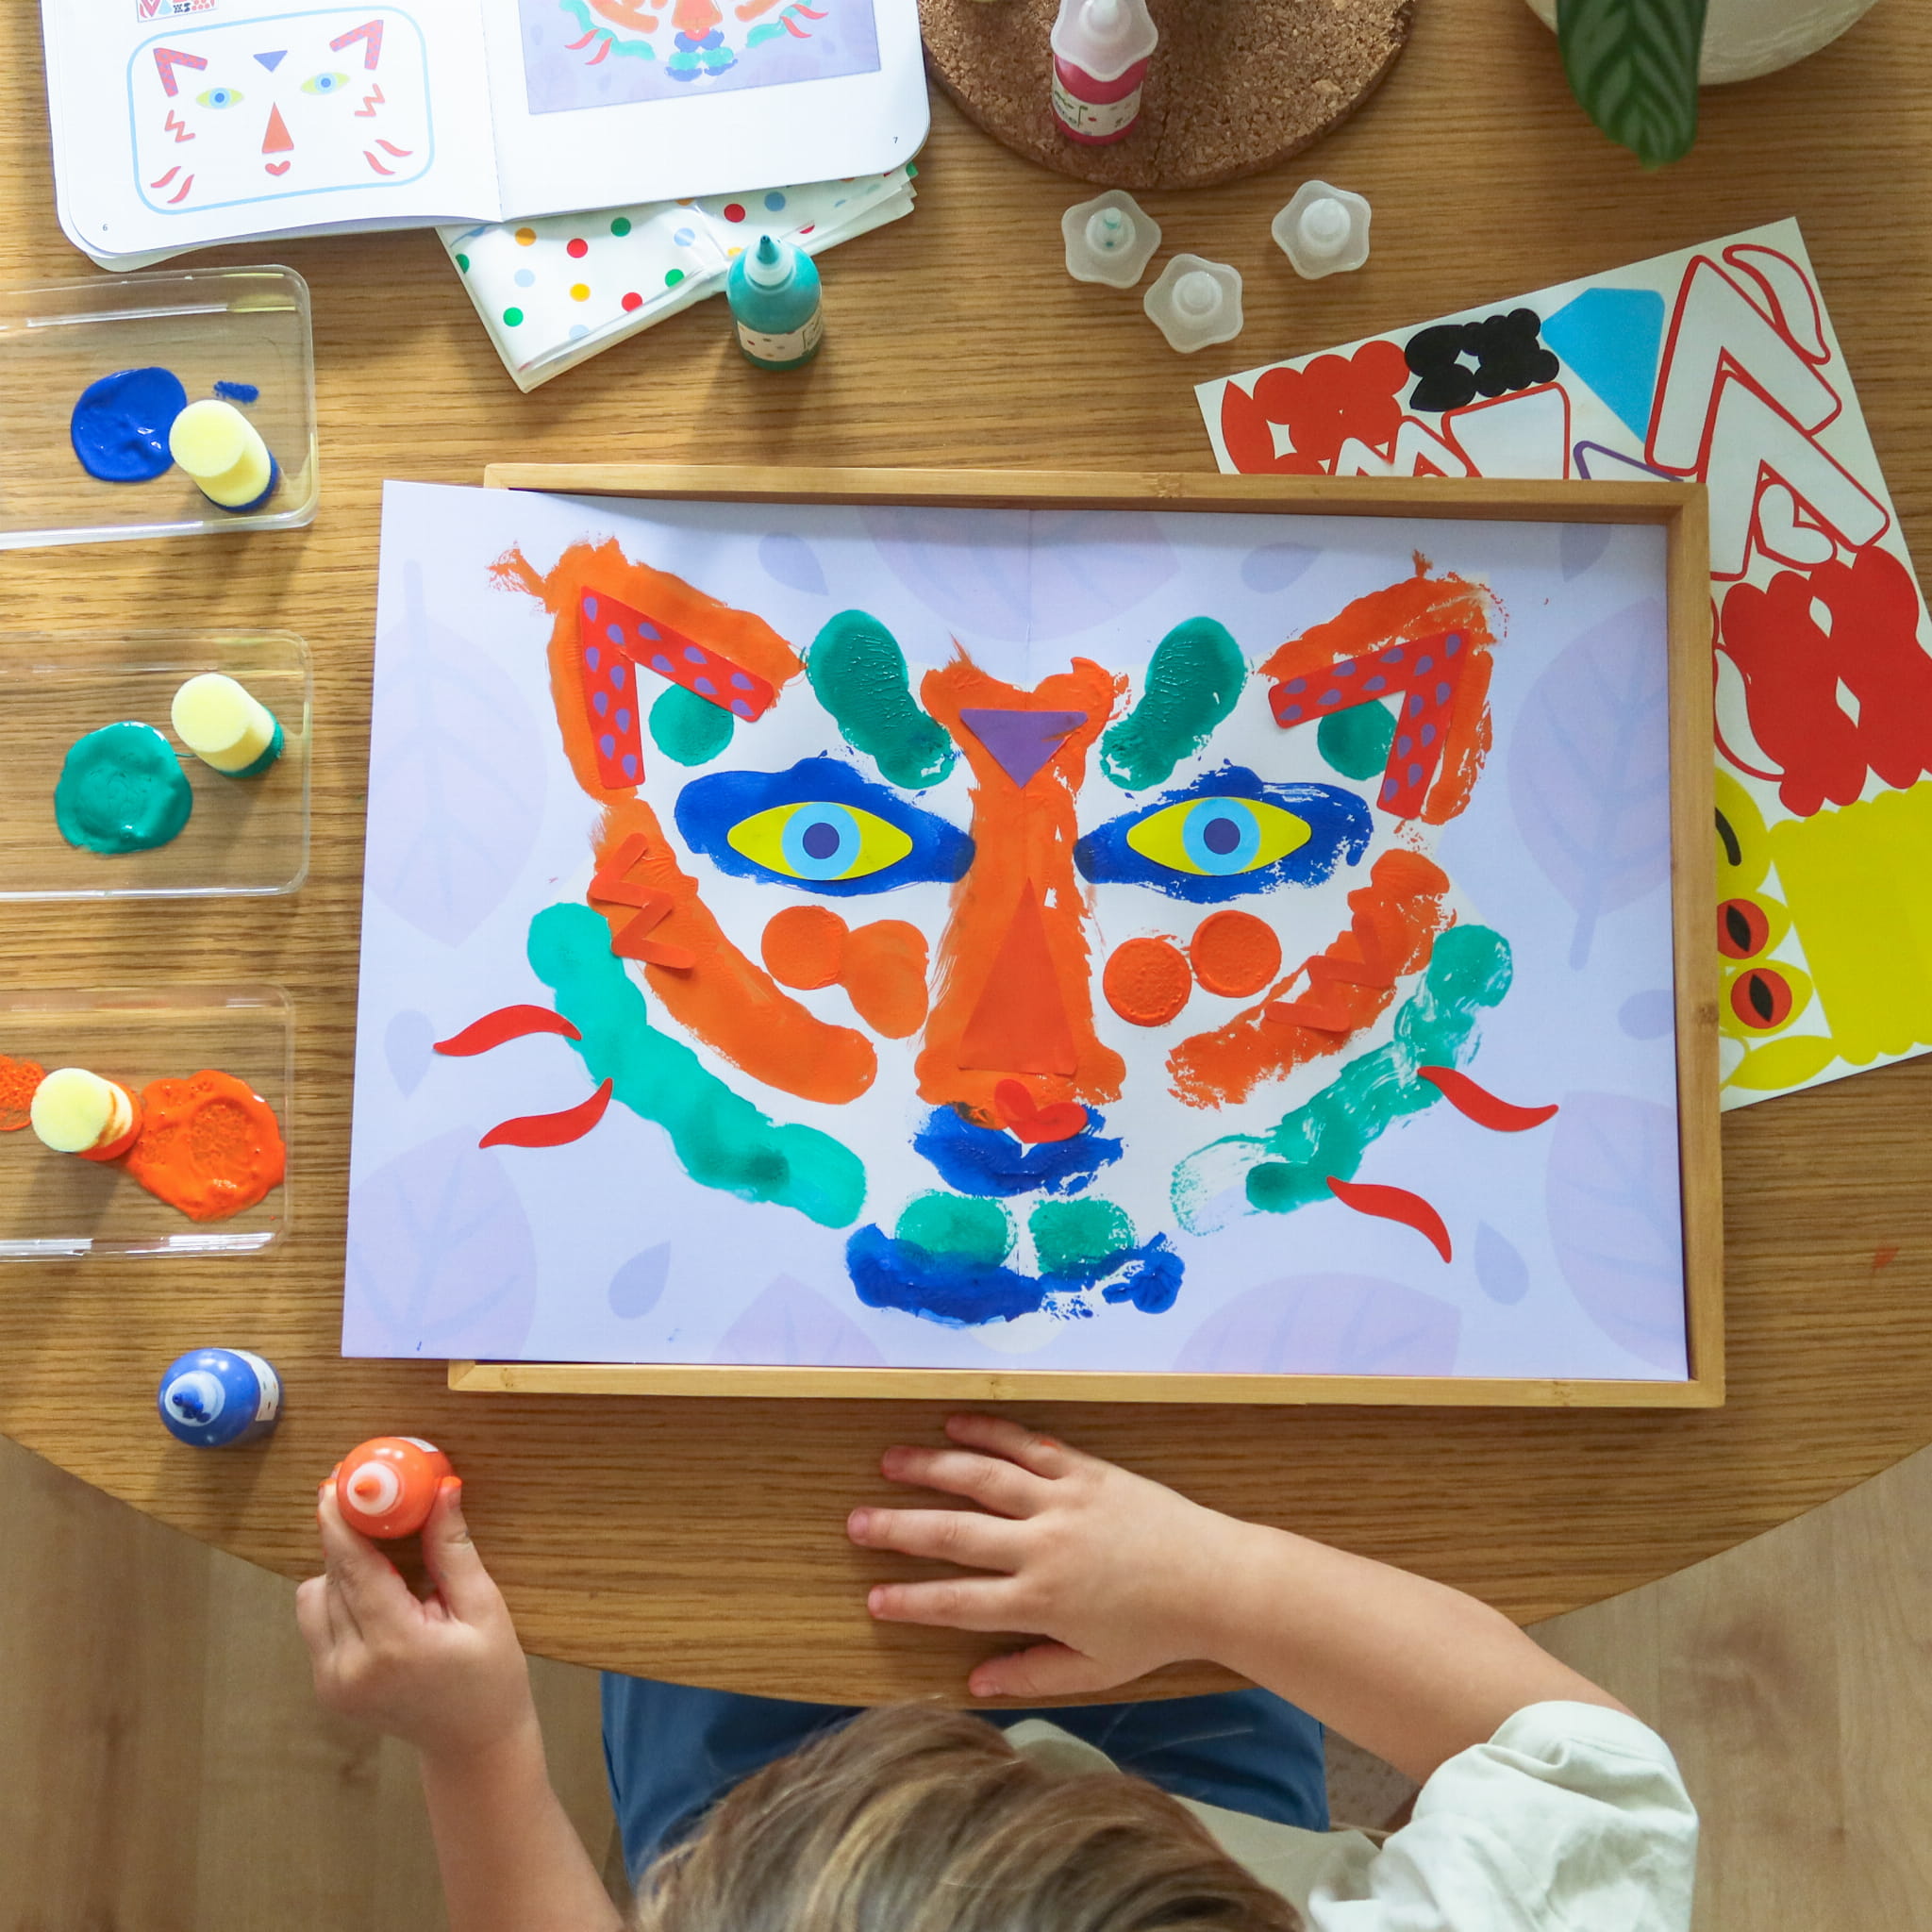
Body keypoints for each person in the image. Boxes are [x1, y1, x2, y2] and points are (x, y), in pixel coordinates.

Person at [296, 1413, 1698, 1931]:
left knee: (682, 1517)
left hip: (756, 1811)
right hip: (1190, 1789)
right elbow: (1576, 1754)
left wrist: (477, 1747)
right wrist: (1210, 1580)